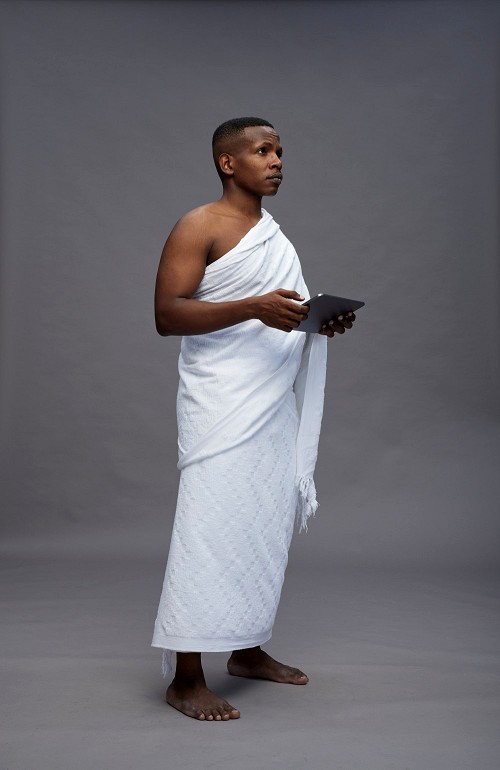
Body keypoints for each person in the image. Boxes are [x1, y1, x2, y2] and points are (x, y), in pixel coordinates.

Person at [151, 117, 356, 721]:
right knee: (209, 530)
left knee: (261, 525)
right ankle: (187, 678)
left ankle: (246, 649)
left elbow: (278, 311)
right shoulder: (199, 225)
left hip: (271, 402)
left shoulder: (273, 236)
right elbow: (167, 315)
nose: (276, 161)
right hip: (222, 403)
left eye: (280, 152)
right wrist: (252, 308)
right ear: (227, 162)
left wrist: (315, 321)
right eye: (263, 151)